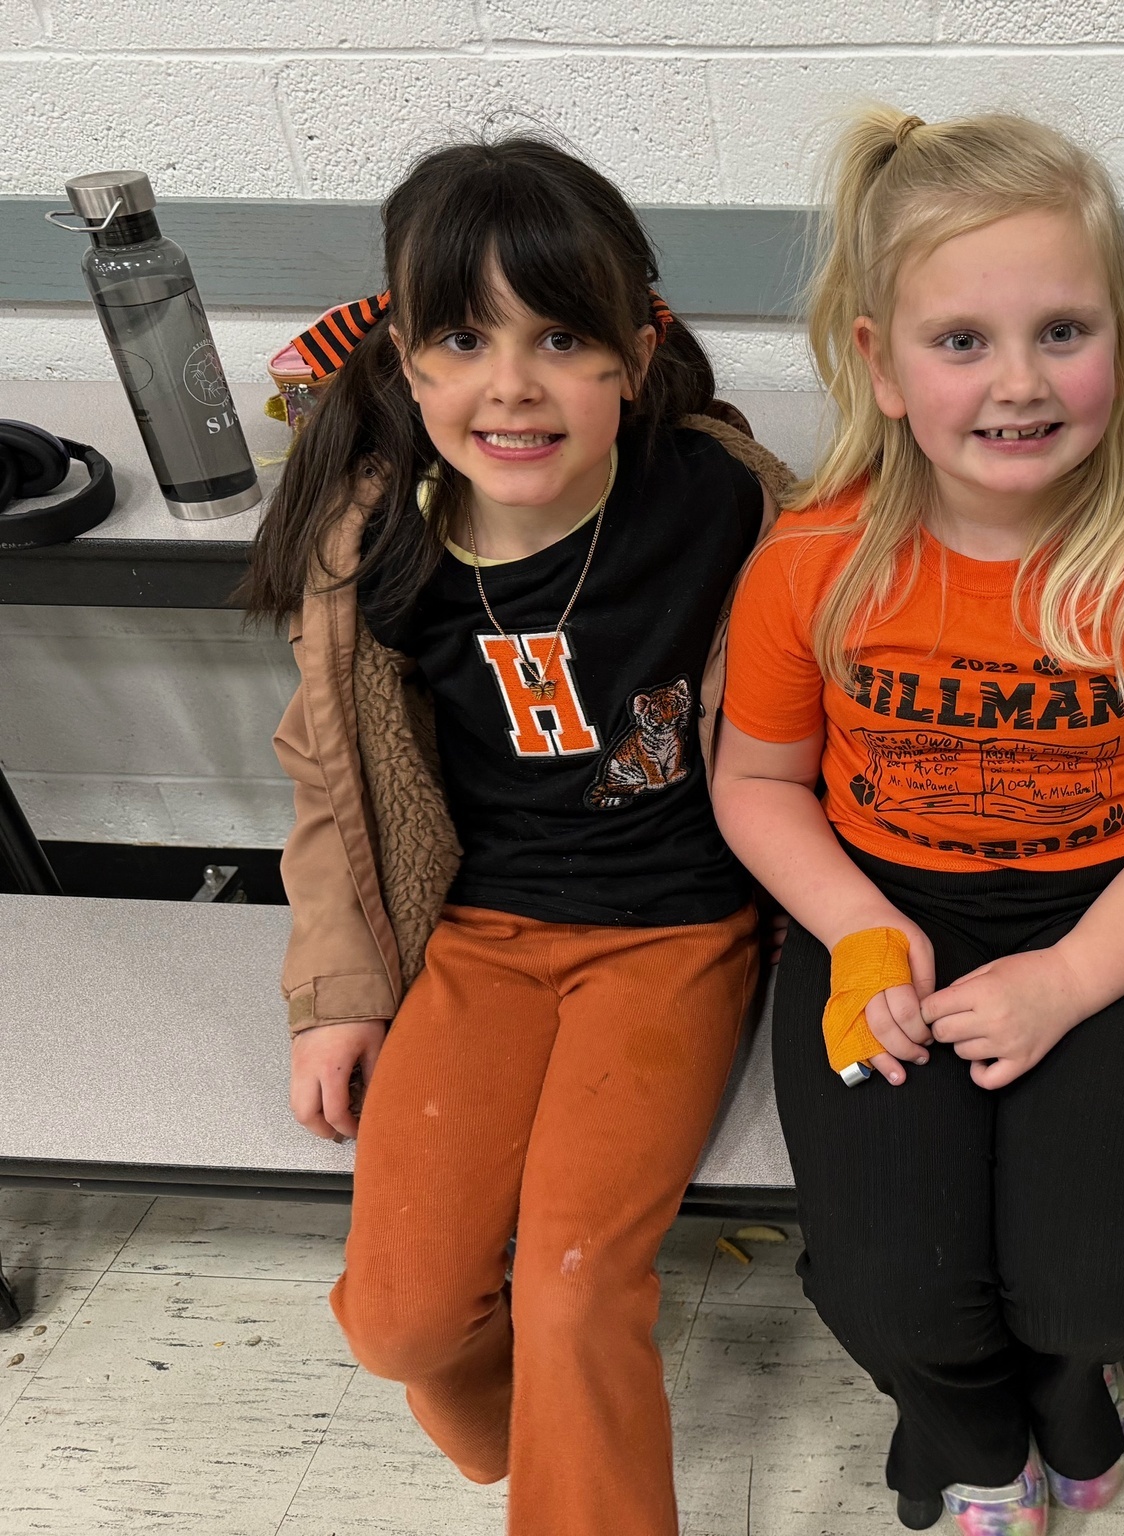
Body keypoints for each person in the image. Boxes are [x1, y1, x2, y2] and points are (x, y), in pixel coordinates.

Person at [710, 107, 1124, 1534]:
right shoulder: (811, 562)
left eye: (1063, 333)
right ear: (879, 363)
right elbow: (757, 784)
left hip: (1113, 918)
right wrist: (858, 926)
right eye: (962, 340)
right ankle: (967, 1428)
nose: (1019, 383)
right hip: (880, 911)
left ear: (1119, 344)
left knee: (1093, 1286)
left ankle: (1076, 1382)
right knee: (889, 1289)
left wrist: (1069, 979)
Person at [242, 136, 790, 1536]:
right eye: (465, 340)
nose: (513, 386)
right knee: (402, 1320)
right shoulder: (379, 552)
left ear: (636, 354)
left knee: (572, 1286)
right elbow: (333, 784)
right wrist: (336, 995)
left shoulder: (720, 500)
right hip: (478, 939)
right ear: (408, 365)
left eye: (561, 338)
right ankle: (520, 1430)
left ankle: (572, 1474)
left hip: (673, 934)